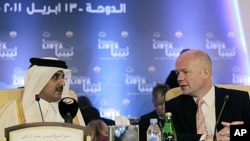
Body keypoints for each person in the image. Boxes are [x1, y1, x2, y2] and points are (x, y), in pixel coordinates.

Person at [165, 49, 250, 141]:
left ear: (206, 73)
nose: (179, 78)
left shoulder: (238, 99)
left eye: (185, 72)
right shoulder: (173, 105)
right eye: (177, 73)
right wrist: (209, 138)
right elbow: (170, 137)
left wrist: (234, 133)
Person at [0, 57, 85, 140]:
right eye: (55, 77)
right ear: (38, 81)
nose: (63, 83)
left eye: (63, 77)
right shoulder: (15, 110)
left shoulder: (69, 108)